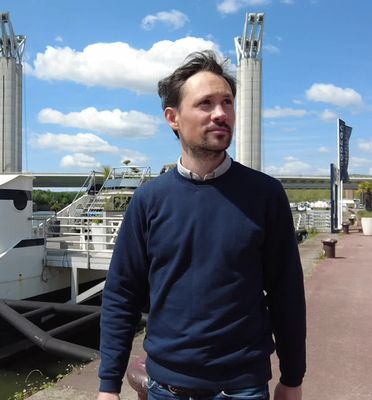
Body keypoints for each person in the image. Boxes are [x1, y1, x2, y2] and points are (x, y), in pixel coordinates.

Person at [97, 51, 306, 400]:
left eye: (227, 102)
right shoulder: (149, 200)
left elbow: (286, 293)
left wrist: (293, 376)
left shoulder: (266, 195)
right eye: (206, 103)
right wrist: (108, 385)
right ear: (173, 118)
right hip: (167, 386)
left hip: (245, 387)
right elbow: (122, 295)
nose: (221, 113)